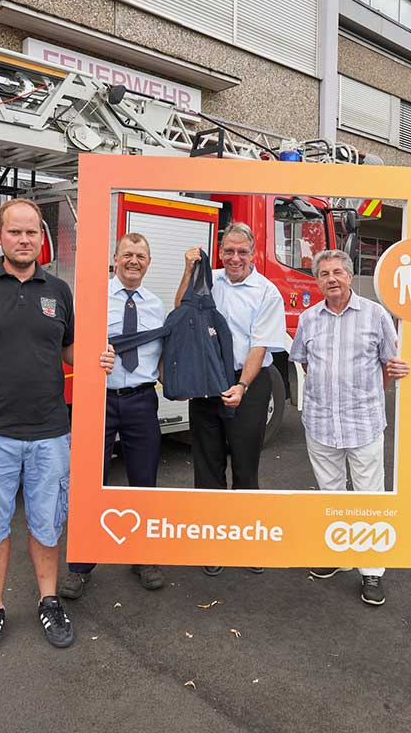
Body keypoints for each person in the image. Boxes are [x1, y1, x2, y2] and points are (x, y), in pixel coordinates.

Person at [0, 198, 115, 660]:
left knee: (48, 520)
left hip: (50, 431)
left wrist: (99, 357)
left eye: (32, 232)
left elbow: (71, 349)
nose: (24, 240)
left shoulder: (58, 290)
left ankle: (48, 601)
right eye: (15, 232)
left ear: (42, 237)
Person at [288, 250, 410, 605]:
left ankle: (371, 571)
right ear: (317, 280)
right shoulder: (309, 318)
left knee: (368, 497)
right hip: (321, 420)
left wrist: (363, 396)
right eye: (324, 273)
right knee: (330, 493)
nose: (331, 279)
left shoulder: (375, 315)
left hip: (363, 422)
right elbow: (305, 362)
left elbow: (391, 362)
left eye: (337, 272)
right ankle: (337, 554)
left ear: (350, 275)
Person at [175, 222, 287, 576]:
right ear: (219, 252)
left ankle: (246, 541)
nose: (234, 258)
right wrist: (188, 270)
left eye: (241, 251)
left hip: (248, 384)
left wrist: (241, 385)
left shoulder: (266, 292)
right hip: (206, 382)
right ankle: (212, 542)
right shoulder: (209, 281)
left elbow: (259, 344)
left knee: (244, 466)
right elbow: (180, 311)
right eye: (228, 251)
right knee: (206, 466)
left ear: (252, 254)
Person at [59, 233, 166, 599]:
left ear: (148, 262)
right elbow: (71, 351)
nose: (133, 261)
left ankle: (144, 557)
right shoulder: (93, 299)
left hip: (141, 401)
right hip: (97, 401)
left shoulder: (156, 305)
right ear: (114, 259)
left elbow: (163, 356)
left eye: (140, 255)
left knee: (144, 483)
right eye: (127, 255)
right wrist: (92, 358)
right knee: (89, 483)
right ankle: (80, 565)